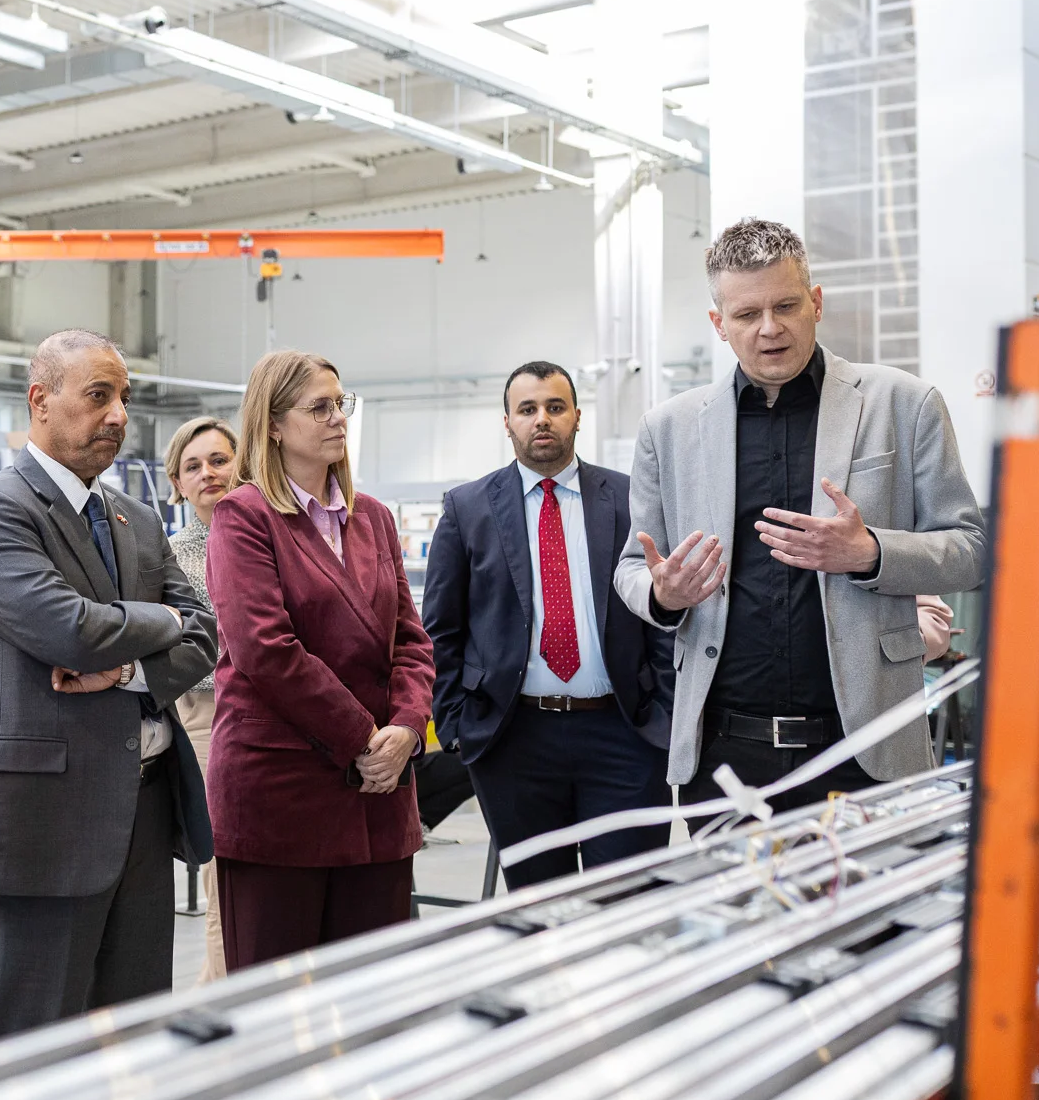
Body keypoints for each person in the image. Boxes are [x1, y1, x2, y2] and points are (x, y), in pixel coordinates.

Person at [614, 218, 985, 808]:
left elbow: (970, 549)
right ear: (719, 325)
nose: (769, 329)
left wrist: (871, 554)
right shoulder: (670, 430)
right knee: (732, 905)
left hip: (865, 747)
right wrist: (664, 596)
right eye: (746, 315)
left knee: (873, 903)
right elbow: (633, 569)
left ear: (815, 303)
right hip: (725, 757)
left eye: (786, 305)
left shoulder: (904, 404)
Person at [0, 329, 216, 1045]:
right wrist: (161, 616)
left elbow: (206, 635)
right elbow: (68, 629)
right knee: (29, 1054)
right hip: (41, 821)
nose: (119, 414)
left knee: (127, 1048)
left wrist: (129, 666)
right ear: (41, 400)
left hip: (143, 809)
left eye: (124, 397)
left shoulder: (136, 519)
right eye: (99, 395)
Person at [205, 350, 434, 971]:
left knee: (371, 994)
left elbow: (410, 639)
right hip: (283, 791)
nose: (337, 418)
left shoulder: (375, 519)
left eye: (342, 404)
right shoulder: (243, 517)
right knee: (273, 1004)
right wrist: (365, 739)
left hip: (379, 789)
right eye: (320, 407)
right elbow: (265, 649)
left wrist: (408, 730)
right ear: (273, 424)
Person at [422, 361, 675, 888]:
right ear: (507, 422)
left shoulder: (630, 499)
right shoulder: (467, 509)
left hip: (623, 733)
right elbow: (441, 630)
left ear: (578, 417)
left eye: (555, 407)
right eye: (528, 409)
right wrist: (456, 726)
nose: (543, 419)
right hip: (514, 741)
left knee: (629, 902)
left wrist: (664, 718)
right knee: (539, 910)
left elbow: (661, 613)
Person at [163, 414, 238, 982]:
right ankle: (221, 1009)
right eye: (194, 466)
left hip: (283, 718)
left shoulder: (278, 534)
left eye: (218, 459)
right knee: (228, 879)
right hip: (208, 720)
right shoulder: (170, 555)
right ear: (177, 484)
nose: (209, 473)